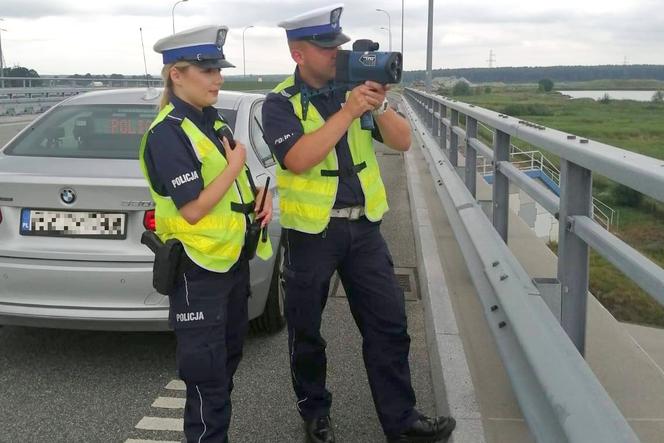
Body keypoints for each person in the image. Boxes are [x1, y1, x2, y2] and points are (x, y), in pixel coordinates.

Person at [262, 4, 456, 443]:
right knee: (307, 330)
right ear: (299, 54)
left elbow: (403, 142)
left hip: (364, 229)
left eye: (340, 45)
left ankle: (402, 422)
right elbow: (298, 158)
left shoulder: (353, 92)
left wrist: (379, 102)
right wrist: (348, 112)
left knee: (389, 325)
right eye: (327, 46)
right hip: (312, 233)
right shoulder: (280, 103)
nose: (337, 53)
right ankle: (316, 414)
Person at [138, 25, 273, 443]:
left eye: (219, 69)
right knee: (206, 376)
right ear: (176, 75)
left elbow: (232, 187)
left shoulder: (211, 122)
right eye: (207, 69)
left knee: (225, 365)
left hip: (229, 263)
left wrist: (257, 201)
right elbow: (194, 208)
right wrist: (235, 167)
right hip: (197, 270)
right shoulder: (168, 133)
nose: (218, 78)